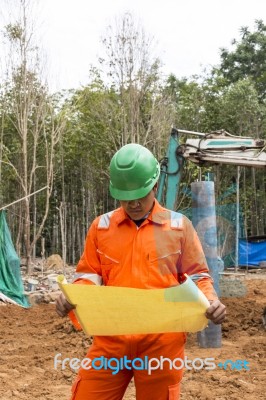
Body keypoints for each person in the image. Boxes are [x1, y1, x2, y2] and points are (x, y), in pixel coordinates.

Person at [56, 143, 226, 400]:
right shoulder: (101, 228)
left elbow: (198, 276)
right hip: (111, 337)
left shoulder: (179, 227)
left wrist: (211, 300)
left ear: (155, 186)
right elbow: (89, 275)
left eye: (141, 195)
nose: (133, 203)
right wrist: (73, 296)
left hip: (162, 341)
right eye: (126, 197)